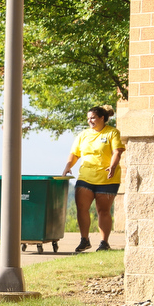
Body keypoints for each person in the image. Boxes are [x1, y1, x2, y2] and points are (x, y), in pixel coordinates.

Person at [62, 105, 125, 252]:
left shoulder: (112, 133)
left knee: (103, 211)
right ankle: (84, 240)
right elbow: (75, 153)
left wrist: (113, 166)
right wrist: (67, 166)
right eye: (88, 118)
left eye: (93, 118)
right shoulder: (83, 135)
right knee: (81, 208)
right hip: (86, 176)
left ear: (102, 118)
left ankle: (104, 243)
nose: (90, 121)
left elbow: (117, 152)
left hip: (107, 177)